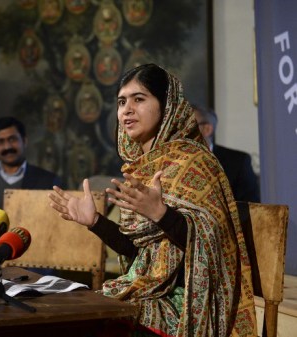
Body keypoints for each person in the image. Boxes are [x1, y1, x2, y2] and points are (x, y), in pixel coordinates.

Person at [49, 64, 257, 336]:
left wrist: (161, 214)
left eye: (139, 99)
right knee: (72, 315)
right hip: (151, 293)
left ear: (167, 106)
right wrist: (96, 222)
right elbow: (140, 255)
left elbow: (214, 247)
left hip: (190, 301)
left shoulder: (194, 162)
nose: (127, 109)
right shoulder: (140, 168)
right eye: (122, 101)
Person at [0, 116, 62, 212]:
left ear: (24, 141)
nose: (7, 147)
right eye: (0, 142)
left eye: (12, 139)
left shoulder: (49, 181)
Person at [193, 105, 260, 202]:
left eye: (187, 125)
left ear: (207, 129)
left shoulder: (238, 162)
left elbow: (251, 208)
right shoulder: (172, 160)